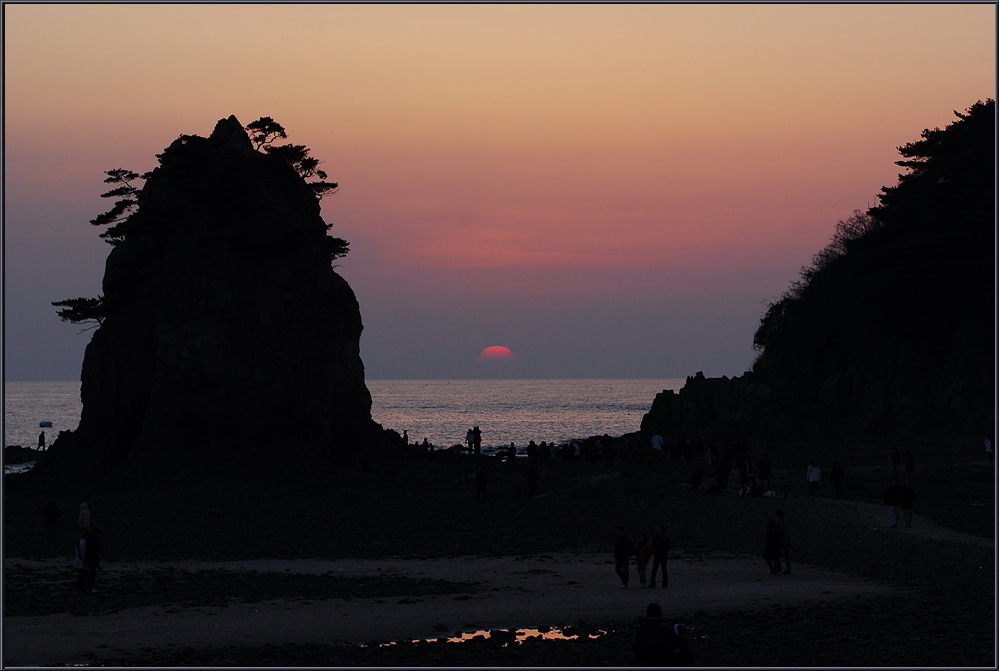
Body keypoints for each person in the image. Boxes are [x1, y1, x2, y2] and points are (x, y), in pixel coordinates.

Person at [82, 528, 104, 592]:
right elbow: (97, 548)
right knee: (92, 574)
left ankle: (85, 587)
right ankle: (90, 588)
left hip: (89, 558)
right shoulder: (94, 539)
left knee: (88, 573)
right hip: (92, 559)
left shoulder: (89, 539)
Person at [774, 509, 790, 574]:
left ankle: (778, 568)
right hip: (787, 539)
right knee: (787, 555)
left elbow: (779, 530)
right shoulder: (787, 520)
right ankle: (788, 568)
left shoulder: (780, 521)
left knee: (776, 554)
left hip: (781, 540)